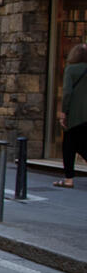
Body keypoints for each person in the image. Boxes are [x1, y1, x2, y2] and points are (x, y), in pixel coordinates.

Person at [55, 42, 87, 188]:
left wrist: (63, 112)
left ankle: (69, 179)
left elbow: (67, 92)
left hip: (75, 114)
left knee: (69, 146)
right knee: (81, 144)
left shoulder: (71, 69)